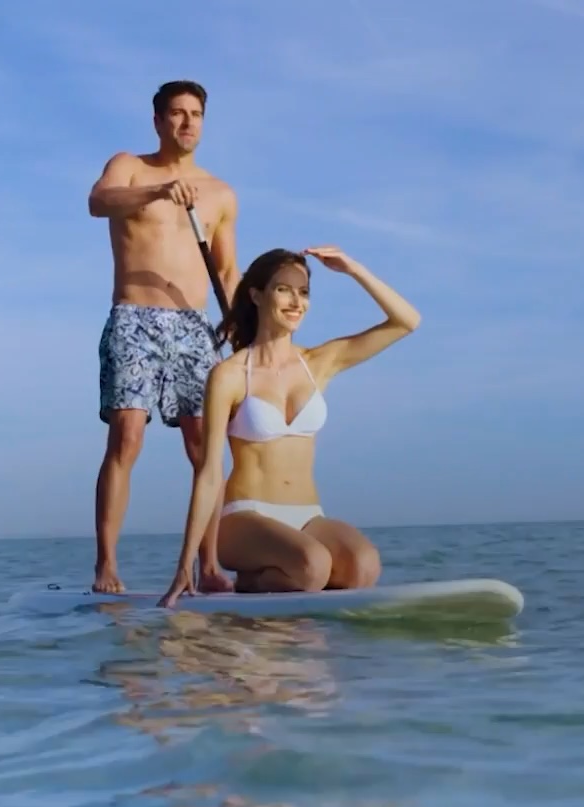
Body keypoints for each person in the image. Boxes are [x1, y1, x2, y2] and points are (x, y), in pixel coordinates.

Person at [158, 245, 420, 608]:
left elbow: (407, 321)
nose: (297, 301)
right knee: (312, 566)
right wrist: (187, 564)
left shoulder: (319, 363)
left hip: (309, 517)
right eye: (284, 289)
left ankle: (291, 594)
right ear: (257, 295)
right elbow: (208, 473)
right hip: (245, 517)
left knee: (363, 567)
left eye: (304, 292)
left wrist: (353, 269)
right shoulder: (230, 375)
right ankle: (254, 582)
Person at [86, 79, 239, 595]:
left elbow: (228, 270)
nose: (187, 122)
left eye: (195, 113)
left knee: (205, 446)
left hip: (195, 326)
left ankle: (210, 565)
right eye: (176, 113)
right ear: (158, 121)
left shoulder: (220, 193)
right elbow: (98, 201)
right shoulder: (130, 165)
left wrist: (244, 327)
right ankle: (106, 565)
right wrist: (157, 190)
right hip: (135, 318)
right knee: (127, 436)